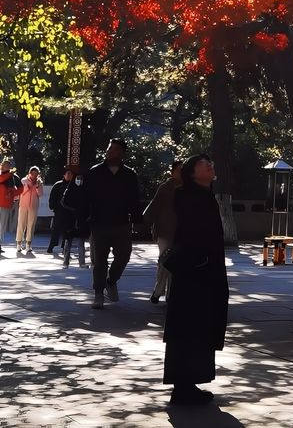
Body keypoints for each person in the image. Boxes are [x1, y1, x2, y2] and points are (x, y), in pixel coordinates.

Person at [163, 153, 228, 407]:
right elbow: (191, 235)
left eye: (211, 162)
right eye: (203, 163)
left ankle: (188, 382)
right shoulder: (189, 196)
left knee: (197, 327)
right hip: (195, 273)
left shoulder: (204, 196)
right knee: (190, 327)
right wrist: (200, 261)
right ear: (191, 172)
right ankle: (183, 385)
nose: (210, 165)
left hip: (202, 271)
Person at [82, 138, 143, 310]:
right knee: (99, 261)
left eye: (114, 149)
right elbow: (86, 198)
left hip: (121, 223)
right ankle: (98, 293)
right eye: (109, 148)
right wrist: (84, 219)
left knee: (124, 256)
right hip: (99, 223)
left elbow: (134, 199)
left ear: (121, 153)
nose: (109, 152)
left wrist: (138, 220)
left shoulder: (129, 174)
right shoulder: (95, 172)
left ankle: (112, 280)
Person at [144, 160, 183, 304]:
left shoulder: (189, 189)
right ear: (172, 172)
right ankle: (158, 291)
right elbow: (153, 207)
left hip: (181, 232)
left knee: (175, 263)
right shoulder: (165, 188)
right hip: (165, 231)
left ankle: (169, 294)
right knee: (164, 261)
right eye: (178, 169)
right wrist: (144, 222)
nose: (181, 172)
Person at [47, 166, 74, 254]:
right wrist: (53, 206)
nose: (69, 176)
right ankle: (51, 247)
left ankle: (65, 248)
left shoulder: (74, 186)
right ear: (64, 175)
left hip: (70, 212)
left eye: (71, 174)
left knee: (68, 231)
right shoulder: (58, 185)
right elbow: (52, 197)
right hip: (59, 211)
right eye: (68, 174)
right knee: (56, 230)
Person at [16, 166, 43, 253]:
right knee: (21, 224)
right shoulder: (24, 180)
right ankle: (19, 244)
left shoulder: (39, 182)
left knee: (31, 225)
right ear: (29, 173)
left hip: (34, 206)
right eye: (33, 173)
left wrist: (38, 186)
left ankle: (28, 244)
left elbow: (41, 194)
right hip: (23, 205)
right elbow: (21, 192)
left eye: (36, 173)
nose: (34, 175)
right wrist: (28, 186)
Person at [0, 160, 22, 255]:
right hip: (3, 203)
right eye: (4, 165)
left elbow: (21, 188)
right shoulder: (8, 176)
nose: (6, 167)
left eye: (8, 165)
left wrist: (12, 194)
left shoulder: (14, 177)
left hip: (5, 203)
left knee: (2, 226)